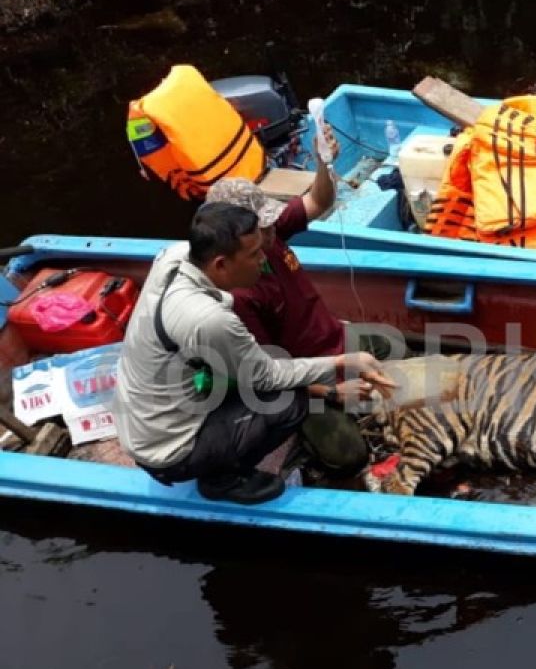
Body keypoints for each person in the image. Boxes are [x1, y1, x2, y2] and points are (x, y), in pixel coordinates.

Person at [112, 202, 385, 504]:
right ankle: (223, 479)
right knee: (289, 401)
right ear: (220, 264)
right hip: (167, 447)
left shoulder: (175, 256)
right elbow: (267, 376)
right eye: (253, 255)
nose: (263, 259)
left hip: (149, 410)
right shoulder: (209, 319)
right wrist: (340, 363)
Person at [205, 131, 399, 476]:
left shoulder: (269, 233)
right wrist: (332, 393)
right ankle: (302, 442)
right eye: (260, 230)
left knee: (395, 347)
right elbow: (266, 374)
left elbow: (318, 201)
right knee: (348, 456)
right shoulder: (236, 298)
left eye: (267, 224)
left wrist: (324, 162)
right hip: (302, 382)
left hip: (335, 341)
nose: (270, 232)